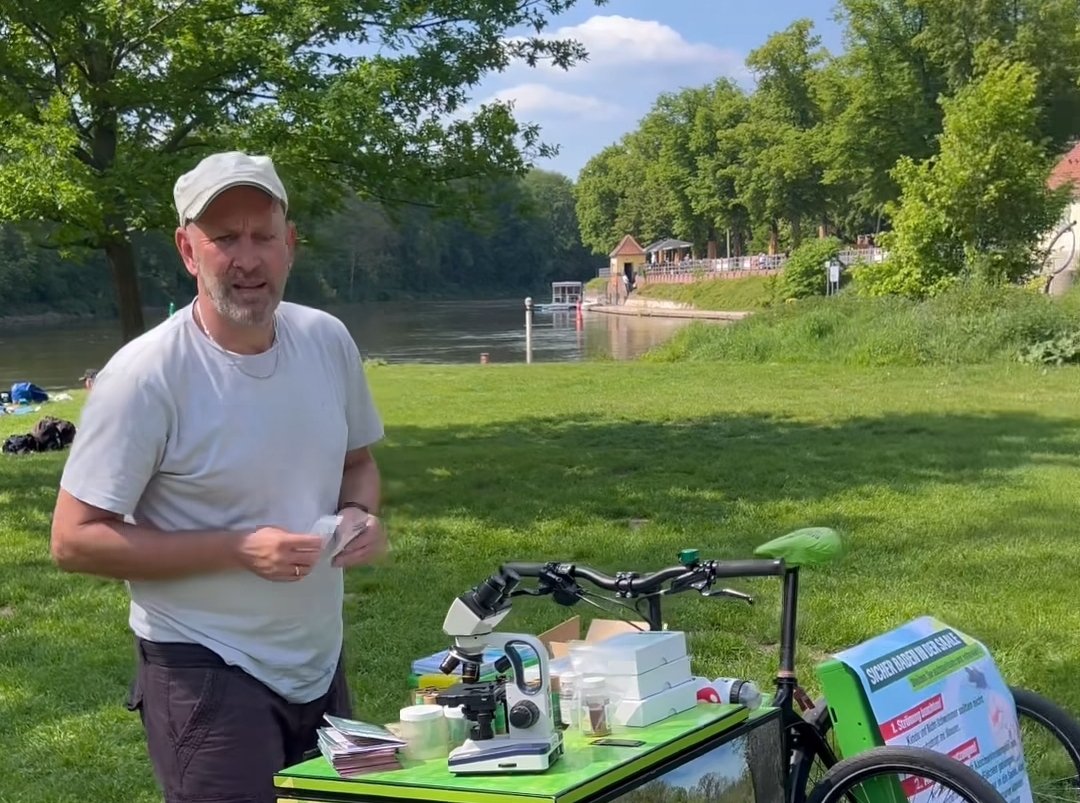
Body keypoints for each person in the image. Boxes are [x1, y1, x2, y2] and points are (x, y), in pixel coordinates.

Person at [49, 151, 387, 802]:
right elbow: (74, 538)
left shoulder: (327, 342)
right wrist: (238, 548)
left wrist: (359, 515)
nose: (248, 258)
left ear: (290, 244)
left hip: (318, 659)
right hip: (204, 663)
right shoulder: (146, 376)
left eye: (263, 235)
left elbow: (359, 464)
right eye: (224, 238)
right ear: (187, 249)